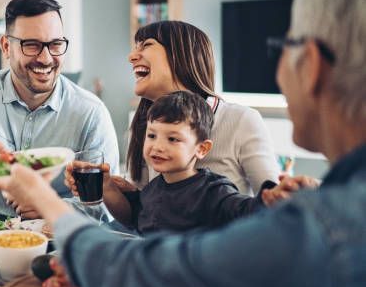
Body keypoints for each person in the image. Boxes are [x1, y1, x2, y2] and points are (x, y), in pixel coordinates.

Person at [0, 0, 366, 287]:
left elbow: (132, 272)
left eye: (284, 45)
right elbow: (146, 208)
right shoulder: (327, 215)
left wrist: (38, 190)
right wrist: (108, 188)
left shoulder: (318, 226)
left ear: (313, 65)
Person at [0, 0, 119, 218]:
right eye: (31, 45)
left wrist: (50, 208)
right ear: (6, 46)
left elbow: (107, 203)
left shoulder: (91, 112)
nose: (45, 58)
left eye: (55, 44)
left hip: (55, 235)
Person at [123, 21, 280, 195]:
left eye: (146, 45)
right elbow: (140, 214)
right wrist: (110, 189)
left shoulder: (241, 119)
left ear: (181, 55)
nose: (131, 57)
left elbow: (273, 203)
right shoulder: (143, 125)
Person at [100, 91, 279, 234]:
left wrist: (270, 197)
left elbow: (246, 211)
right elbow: (134, 218)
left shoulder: (213, 191)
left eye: (172, 139)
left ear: (201, 149)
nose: (157, 147)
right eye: (152, 136)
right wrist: (107, 185)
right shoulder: (153, 189)